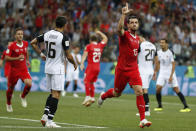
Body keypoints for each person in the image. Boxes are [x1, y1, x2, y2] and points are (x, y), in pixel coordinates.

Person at [97, 3, 152, 128]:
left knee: (139, 91)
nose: (134, 24)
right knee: (117, 93)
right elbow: (118, 29)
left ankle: (143, 119)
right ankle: (103, 96)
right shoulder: (125, 35)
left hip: (133, 69)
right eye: (131, 22)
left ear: (138, 25)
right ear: (128, 25)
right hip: (122, 70)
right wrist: (123, 15)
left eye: (135, 23)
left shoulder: (138, 39)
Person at [31, 16, 77, 128]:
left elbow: (33, 42)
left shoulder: (47, 34)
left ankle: (45, 115)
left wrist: (41, 54)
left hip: (48, 67)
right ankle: (50, 121)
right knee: (57, 95)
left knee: (52, 93)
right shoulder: (63, 37)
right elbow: (68, 55)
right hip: (58, 69)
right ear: (65, 25)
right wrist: (74, 63)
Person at [153, 39, 191, 112]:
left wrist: (171, 76)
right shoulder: (158, 52)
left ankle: (186, 107)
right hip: (162, 73)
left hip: (170, 72)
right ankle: (160, 106)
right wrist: (155, 72)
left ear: (166, 44)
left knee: (176, 89)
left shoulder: (171, 52)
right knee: (158, 88)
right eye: (160, 43)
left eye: (163, 43)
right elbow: (157, 63)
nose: (161, 44)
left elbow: (173, 65)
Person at [5, 28, 32, 112]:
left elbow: (26, 52)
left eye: (21, 34)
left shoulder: (25, 43)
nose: (20, 35)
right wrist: (17, 57)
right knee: (11, 88)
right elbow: (6, 58)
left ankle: (23, 96)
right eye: (18, 34)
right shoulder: (11, 45)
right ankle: (8, 103)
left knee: (29, 84)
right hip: (14, 70)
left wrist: (27, 60)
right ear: (15, 36)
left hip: (23, 69)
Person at [80, 30, 108, 107]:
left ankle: (87, 97)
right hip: (97, 67)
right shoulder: (100, 45)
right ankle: (92, 97)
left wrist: (82, 63)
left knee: (86, 81)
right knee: (91, 82)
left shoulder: (89, 46)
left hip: (91, 66)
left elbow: (84, 55)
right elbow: (105, 38)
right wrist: (99, 32)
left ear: (90, 40)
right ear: (97, 40)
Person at [136, 40, 157, 116]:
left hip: (143, 71)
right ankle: (145, 109)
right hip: (150, 70)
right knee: (143, 89)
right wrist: (155, 71)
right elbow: (156, 59)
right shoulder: (153, 46)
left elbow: (134, 55)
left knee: (143, 90)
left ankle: (146, 110)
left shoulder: (140, 45)